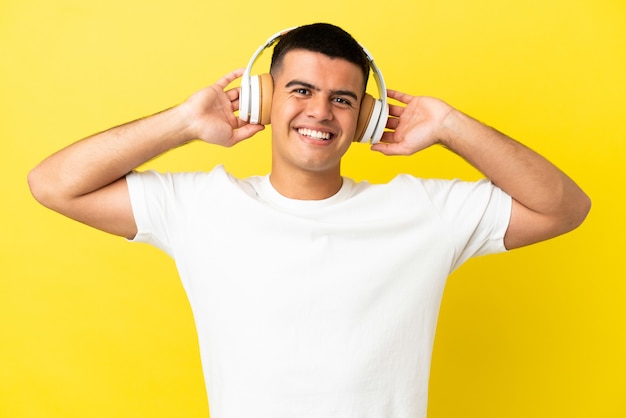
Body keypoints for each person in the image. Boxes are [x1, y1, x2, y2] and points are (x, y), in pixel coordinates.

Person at [28, 23, 590, 418]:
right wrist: (183, 122)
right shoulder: (201, 207)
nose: (321, 112)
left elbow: (565, 207)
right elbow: (52, 184)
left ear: (365, 118)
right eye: (300, 91)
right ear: (263, 100)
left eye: (343, 99)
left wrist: (448, 124)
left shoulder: (422, 212)